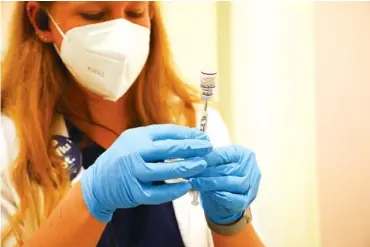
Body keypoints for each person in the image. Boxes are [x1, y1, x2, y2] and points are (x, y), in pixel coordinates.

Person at [0, 2, 263, 247]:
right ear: (41, 20)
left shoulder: (196, 122)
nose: (119, 35)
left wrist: (230, 221)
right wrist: (89, 199)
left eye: (135, 12)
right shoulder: (8, 142)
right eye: (95, 14)